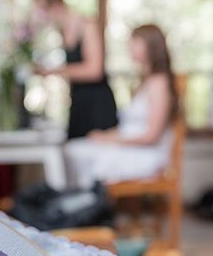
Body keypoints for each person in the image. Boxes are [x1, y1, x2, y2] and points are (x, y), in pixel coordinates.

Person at [64, 24, 179, 189]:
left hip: (146, 154)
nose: (129, 47)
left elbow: (151, 136)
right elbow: (131, 127)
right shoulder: (143, 82)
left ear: (151, 46)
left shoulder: (159, 83)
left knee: (78, 154)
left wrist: (108, 139)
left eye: (135, 43)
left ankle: (88, 205)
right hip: (132, 148)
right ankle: (85, 203)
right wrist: (104, 136)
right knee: (75, 149)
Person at [33, 0, 117, 139]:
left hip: (96, 103)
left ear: (56, 4)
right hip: (78, 100)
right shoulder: (61, 30)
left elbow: (94, 70)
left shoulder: (87, 25)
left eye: (41, 9)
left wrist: (53, 71)